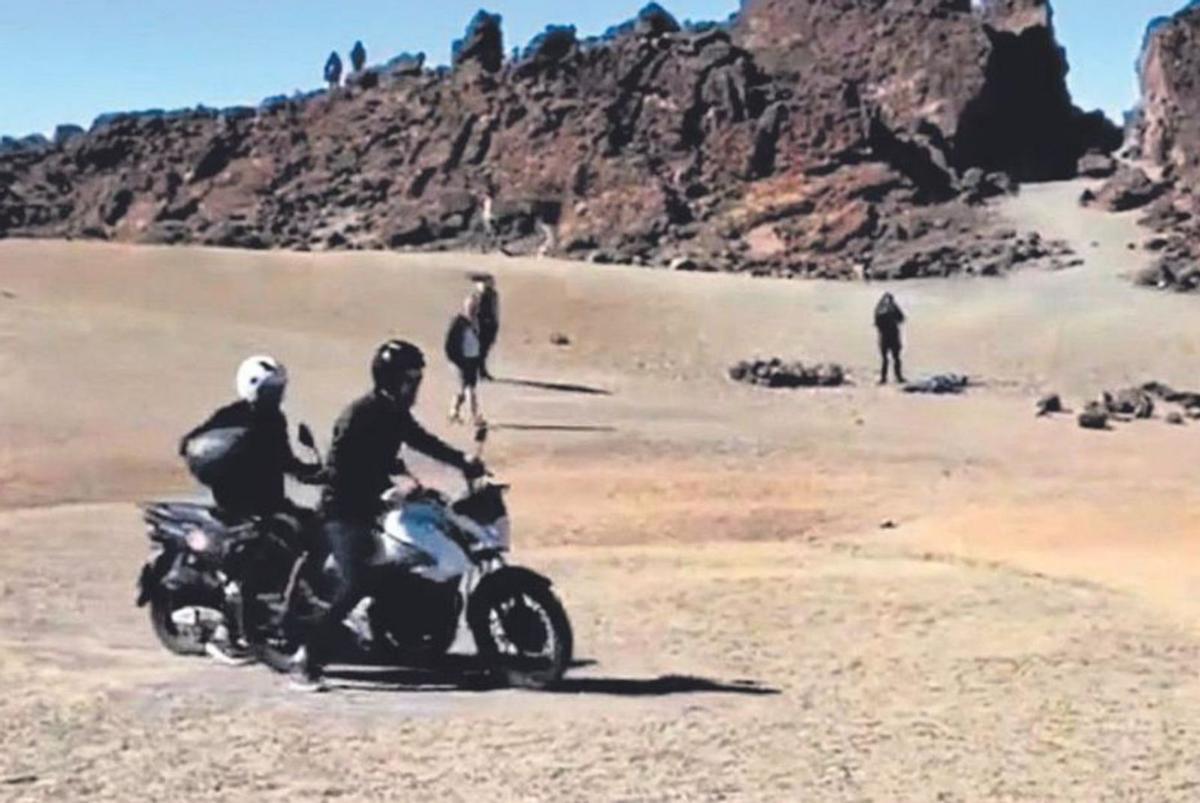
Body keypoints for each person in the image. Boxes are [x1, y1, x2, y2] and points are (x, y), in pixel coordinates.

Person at [290, 340, 483, 692]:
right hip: (344, 511)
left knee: (422, 548)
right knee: (357, 580)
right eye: (410, 380)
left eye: (417, 380)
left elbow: (421, 441)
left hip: (378, 508)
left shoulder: (394, 413)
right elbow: (338, 472)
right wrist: (381, 491)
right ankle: (307, 656)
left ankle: (413, 635)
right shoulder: (357, 416)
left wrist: (462, 461)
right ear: (390, 379)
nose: (415, 387)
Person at [179, 355, 319, 664]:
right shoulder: (231, 418)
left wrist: (317, 473)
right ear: (253, 388)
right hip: (238, 508)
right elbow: (190, 445)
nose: (276, 396)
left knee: (312, 531)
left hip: (271, 503)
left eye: (279, 390)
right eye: (271, 390)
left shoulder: (275, 420)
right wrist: (230, 457)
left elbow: (286, 461)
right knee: (252, 558)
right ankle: (225, 635)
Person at [445, 294, 484, 424]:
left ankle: (453, 412)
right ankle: (475, 416)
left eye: (475, 307)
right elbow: (449, 343)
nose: (473, 310)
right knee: (470, 389)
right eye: (471, 307)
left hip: (473, 360)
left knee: (463, 389)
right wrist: (455, 360)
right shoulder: (458, 322)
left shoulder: (476, 322)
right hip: (461, 360)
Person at [874, 292, 906, 385]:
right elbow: (902, 319)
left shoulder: (878, 309)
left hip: (884, 337)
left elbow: (876, 324)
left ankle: (884, 378)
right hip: (893, 336)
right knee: (896, 358)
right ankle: (898, 377)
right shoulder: (893, 308)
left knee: (885, 359)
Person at [473, 274, 500, 381]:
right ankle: (480, 371)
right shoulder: (480, 295)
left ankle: (481, 371)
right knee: (481, 350)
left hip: (490, 324)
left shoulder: (491, 294)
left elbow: (494, 311)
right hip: (482, 325)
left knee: (484, 349)